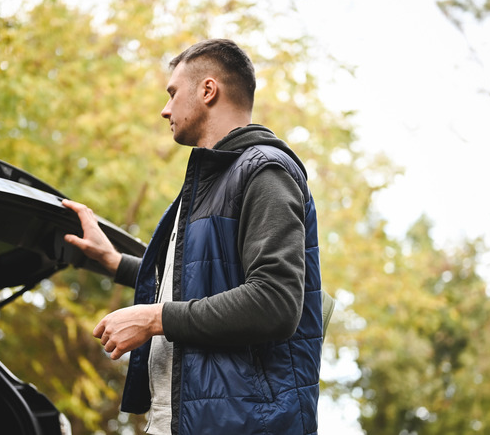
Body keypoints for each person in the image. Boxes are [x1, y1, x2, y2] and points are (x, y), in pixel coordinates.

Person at [62, 38, 322, 435]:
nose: (165, 109)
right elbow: (196, 278)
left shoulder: (266, 171)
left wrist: (152, 319)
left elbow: (275, 301)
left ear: (207, 90)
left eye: (172, 93)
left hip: (242, 423)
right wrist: (113, 260)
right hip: (188, 419)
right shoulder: (209, 184)